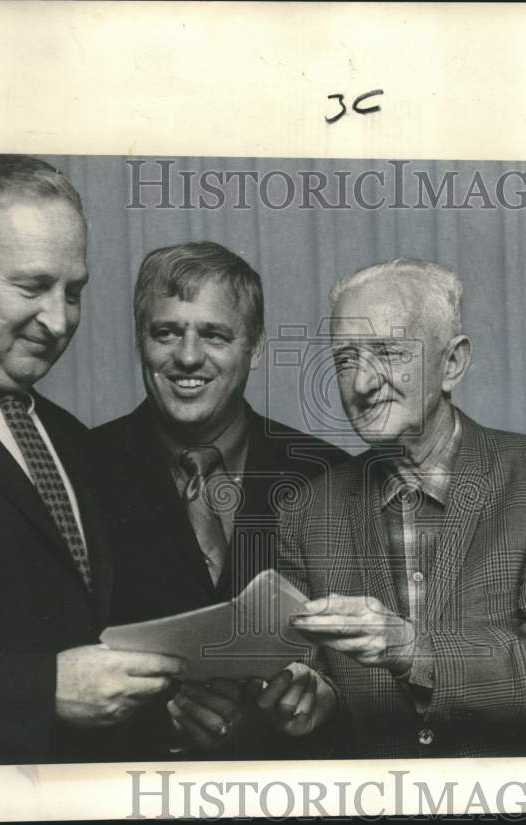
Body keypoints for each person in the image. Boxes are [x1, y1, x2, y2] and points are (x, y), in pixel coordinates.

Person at [0, 155, 186, 767]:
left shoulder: (69, 438)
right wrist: (40, 690)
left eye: (73, 292)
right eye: (31, 287)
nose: (59, 321)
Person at [258, 257, 526, 758]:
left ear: (453, 363)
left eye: (388, 351)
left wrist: (410, 648)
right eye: (345, 359)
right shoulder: (307, 510)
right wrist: (311, 700)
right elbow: (313, 673)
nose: (361, 383)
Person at [90, 241, 347, 759]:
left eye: (214, 334)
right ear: (141, 341)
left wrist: (326, 694)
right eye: (166, 332)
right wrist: (157, 714)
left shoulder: (329, 473)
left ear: (254, 346)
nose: (187, 356)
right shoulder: (79, 466)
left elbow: (367, 664)